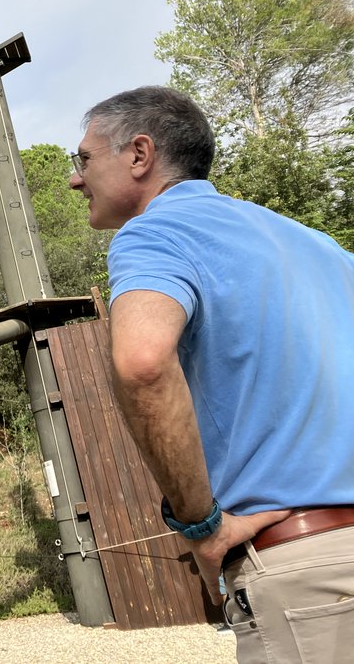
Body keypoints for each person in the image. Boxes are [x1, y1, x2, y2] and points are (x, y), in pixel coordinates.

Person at [69, 85, 354, 664]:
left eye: (85, 159)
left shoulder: (155, 233)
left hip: (308, 574)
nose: (76, 179)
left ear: (140, 155)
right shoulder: (321, 245)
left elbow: (143, 365)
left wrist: (202, 528)